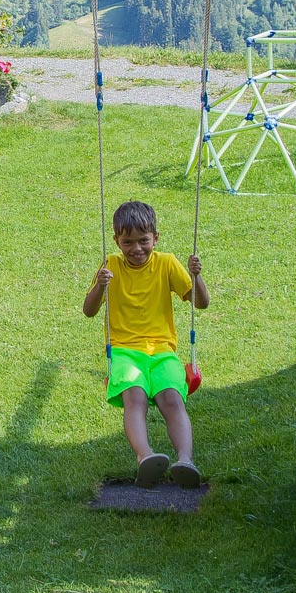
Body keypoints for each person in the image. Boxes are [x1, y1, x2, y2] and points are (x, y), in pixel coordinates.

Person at [82, 200, 209, 487]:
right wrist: (101, 286)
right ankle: (145, 457)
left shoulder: (166, 263)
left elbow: (200, 303)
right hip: (125, 351)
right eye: (127, 242)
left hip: (163, 351)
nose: (136, 249)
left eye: (143, 241)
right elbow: (89, 310)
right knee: (135, 397)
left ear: (156, 238)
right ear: (116, 241)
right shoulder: (110, 265)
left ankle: (185, 460)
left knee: (171, 399)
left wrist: (196, 277)